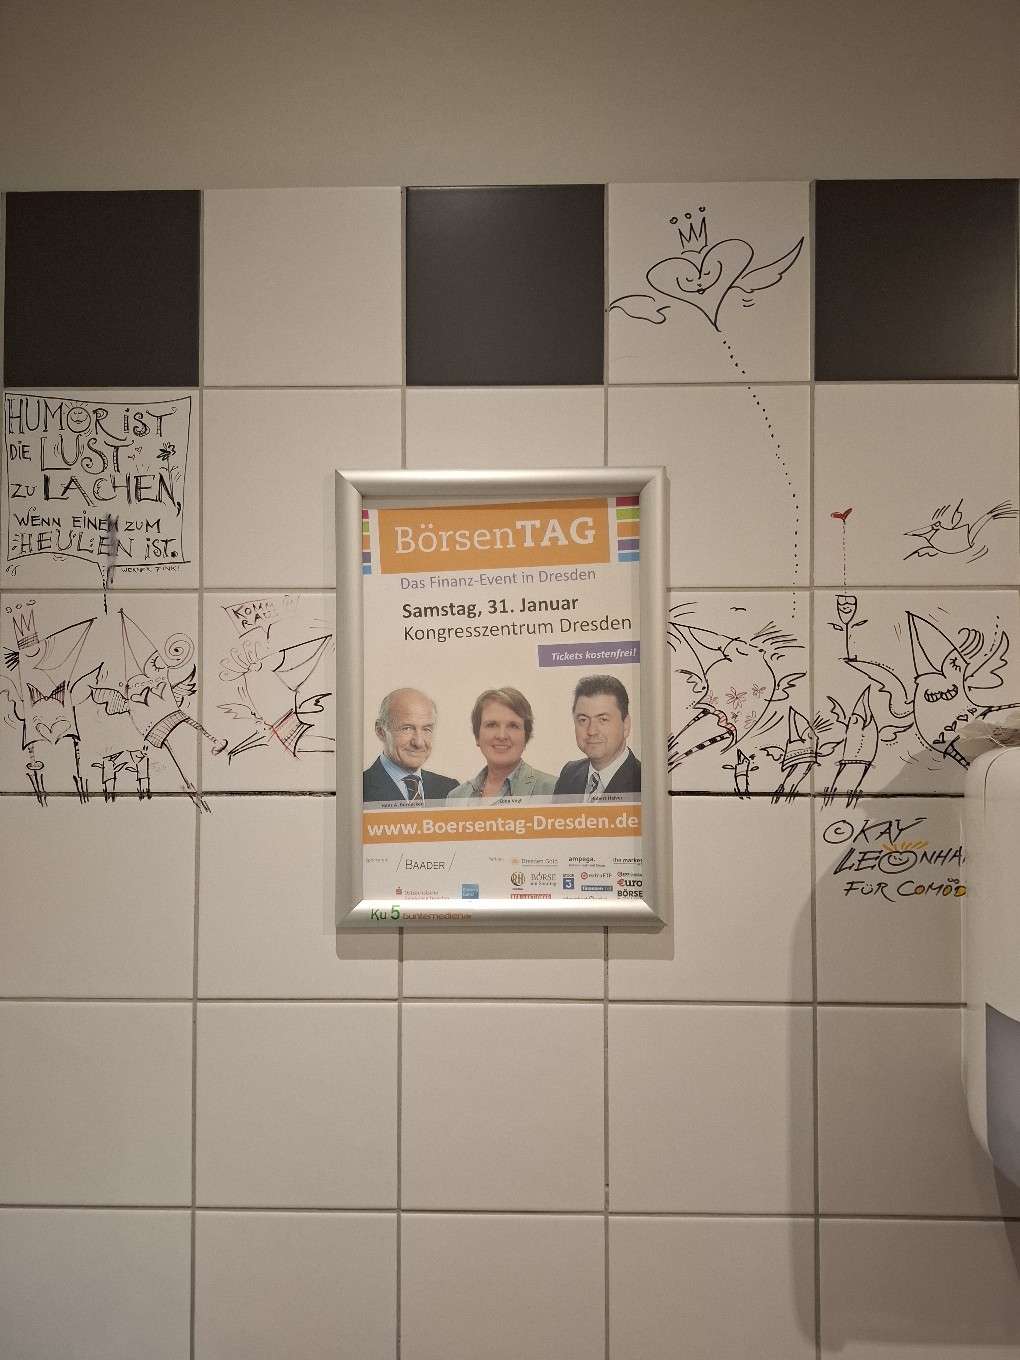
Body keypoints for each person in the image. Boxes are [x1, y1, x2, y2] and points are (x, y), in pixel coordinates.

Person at [447, 686, 556, 802]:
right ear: (477, 736)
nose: (502, 736)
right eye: (492, 725)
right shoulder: (456, 798)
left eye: (513, 726)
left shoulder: (553, 791)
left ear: (526, 737)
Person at [363, 687, 459, 802]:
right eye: (407, 728)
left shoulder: (451, 790)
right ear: (380, 731)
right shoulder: (357, 790)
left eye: (426, 729)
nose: (418, 742)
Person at [553, 674, 641, 798]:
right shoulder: (569, 774)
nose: (592, 731)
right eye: (583, 720)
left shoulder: (644, 780)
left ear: (626, 725)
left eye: (603, 719)